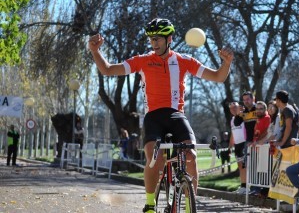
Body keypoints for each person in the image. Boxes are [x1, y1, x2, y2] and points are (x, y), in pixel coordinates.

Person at [88, 18, 233, 213]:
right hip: (153, 117)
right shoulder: (143, 60)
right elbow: (107, 70)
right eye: (151, 39)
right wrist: (95, 51)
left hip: (176, 115)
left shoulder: (184, 61)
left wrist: (227, 62)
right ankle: (150, 203)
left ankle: (191, 206)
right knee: (154, 157)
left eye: (158, 39)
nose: (154, 43)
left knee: (190, 155)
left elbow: (218, 76)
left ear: (169, 38)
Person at [233, 91, 257, 194]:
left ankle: (259, 189)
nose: (246, 101)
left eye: (248, 99)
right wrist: (238, 113)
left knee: (259, 165)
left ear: (253, 99)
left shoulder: (258, 109)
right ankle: (250, 187)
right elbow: (236, 123)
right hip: (249, 141)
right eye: (244, 100)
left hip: (259, 140)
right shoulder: (244, 111)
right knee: (249, 165)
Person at [228, 101, 247, 194]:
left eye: (235, 107)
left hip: (244, 143)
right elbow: (232, 134)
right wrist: (230, 147)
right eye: (231, 108)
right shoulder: (232, 120)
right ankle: (243, 186)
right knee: (240, 165)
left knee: (245, 165)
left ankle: (248, 186)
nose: (233, 109)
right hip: (237, 145)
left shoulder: (243, 116)